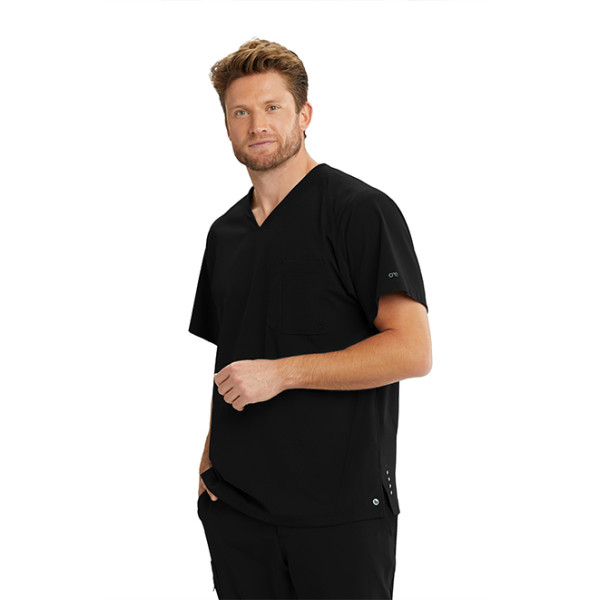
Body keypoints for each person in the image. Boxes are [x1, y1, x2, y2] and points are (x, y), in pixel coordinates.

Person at [189, 37, 432, 600]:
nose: (257, 125)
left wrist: (282, 373)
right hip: (237, 513)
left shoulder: (361, 212)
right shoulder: (225, 235)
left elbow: (412, 350)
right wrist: (208, 467)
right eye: (240, 112)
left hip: (339, 516)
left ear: (304, 115)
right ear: (226, 125)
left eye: (272, 107)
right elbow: (230, 360)